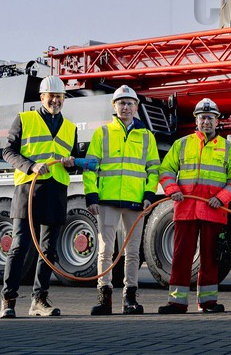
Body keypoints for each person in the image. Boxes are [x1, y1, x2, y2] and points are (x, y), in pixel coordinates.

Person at [0, 74, 80, 319]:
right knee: (19, 247)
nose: (56, 100)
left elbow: (73, 161)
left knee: (48, 251)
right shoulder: (25, 119)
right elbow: (8, 151)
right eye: (52, 96)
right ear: (42, 97)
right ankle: (8, 300)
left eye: (60, 97)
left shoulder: (70, 128)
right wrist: (31, 166)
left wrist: (70, 163)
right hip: (29, 190)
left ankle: (39, 300)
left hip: (56, 191)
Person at [156, 97, 231, 314]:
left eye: (210, 118)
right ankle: (177, 302)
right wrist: (173, 190)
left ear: (217, 121)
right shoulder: (182, 144)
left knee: (210, 259)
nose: (206, 122)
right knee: (181, 257)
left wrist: (222, 198)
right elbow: (165, 170)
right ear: (196, 120)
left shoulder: (227, 148)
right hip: (186, 210)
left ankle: (208, 303)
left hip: (213, 211)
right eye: (202, 117)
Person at [84, 85, 161, 315]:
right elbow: (90, 168)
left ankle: (130, 298)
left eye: (130, 103)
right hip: (107, 200)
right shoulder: (102, 133)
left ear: (136, 107)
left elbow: (153, 170)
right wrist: (92, 195)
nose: (125, 107)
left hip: (135, 202)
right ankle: (104, 296)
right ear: (114, 107)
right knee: (106, 250)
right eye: (121, 103)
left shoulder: (147, 136)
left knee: (133, 252)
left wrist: (149, 195)